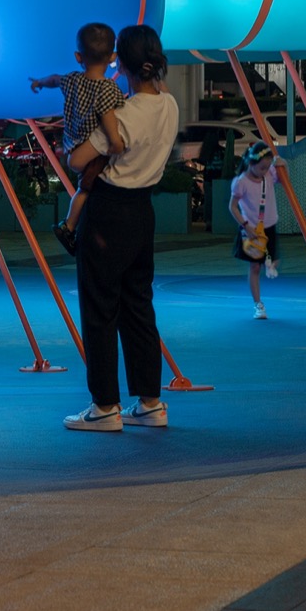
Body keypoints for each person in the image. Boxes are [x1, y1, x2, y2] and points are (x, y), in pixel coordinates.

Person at [63, 23, 179, 432]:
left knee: (99, 309)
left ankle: (105, 407)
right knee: (138, 307)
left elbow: (78, 160)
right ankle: (150, 402)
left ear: (120, 63)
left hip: (108, 212)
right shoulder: (169, 105)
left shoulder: (126, 115)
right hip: (142, 212)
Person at [31, 22, 126, 254]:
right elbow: (108, 117)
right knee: (86, 190)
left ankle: (72, 225)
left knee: (85, 188)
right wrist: (115, 142)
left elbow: (54, 79)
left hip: (72, 146)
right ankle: (69, 226)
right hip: (92, 151)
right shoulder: (108, 89)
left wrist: (39, 82)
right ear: (113, 55)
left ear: (77, 56)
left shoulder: (73, 80)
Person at [229, 140, 282, 319]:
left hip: (269, 226)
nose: (264, 171)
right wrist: (245, 225)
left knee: (275, 261)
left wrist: (284, 165)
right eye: (261, 168)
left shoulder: (268, 174)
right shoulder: (241, 182)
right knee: (254, 267)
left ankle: (270, 264)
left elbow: (283, 180)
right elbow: (233, 206)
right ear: (250, 163)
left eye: (267, 167)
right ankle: (258, 305)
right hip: (251, 229)